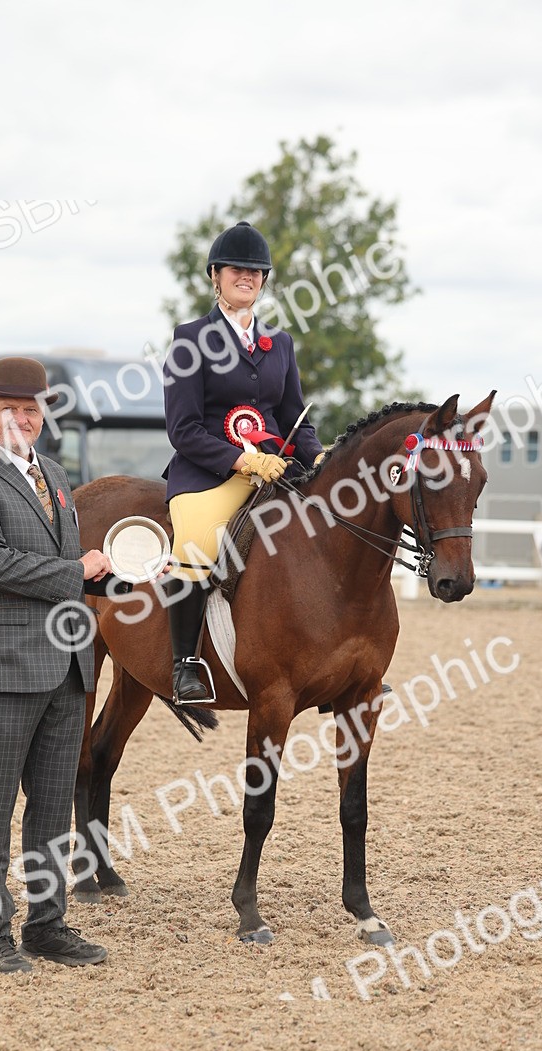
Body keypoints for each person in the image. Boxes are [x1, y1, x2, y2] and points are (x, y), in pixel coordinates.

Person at [0, 356, 118, 975]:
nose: (24, 417)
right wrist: (78, 571)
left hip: (66, 668)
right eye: (12, 408)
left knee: (49, 808)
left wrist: (119, 574)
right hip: (2, 668)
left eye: (33, 407)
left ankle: (47, 925)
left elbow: (69, 566)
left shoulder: (58, 476)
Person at [162, 220, 324, 703]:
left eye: (256, 272)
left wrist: (319, 454)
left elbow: (295, 416)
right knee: (195, 542)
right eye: (237, 269)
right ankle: (185, 662)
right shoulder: (190, 339)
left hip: (278, 468)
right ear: (216, 276)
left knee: (332, 529)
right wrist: (241, 462)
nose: (247, 277)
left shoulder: (281, 344)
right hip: (208, 474)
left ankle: (336, 657)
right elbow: (183, 429)